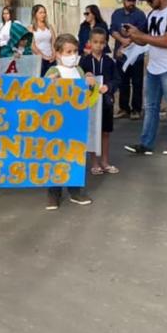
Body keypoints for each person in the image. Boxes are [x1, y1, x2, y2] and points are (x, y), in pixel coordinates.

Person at [124, 0, 167, 156]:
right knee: (150, 107)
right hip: (154, 67)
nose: (149, 3)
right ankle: (146, 144)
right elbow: (144, 38)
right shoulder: (152, 14)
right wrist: (132, 34)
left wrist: (141, 35)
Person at [45, 34, 98, 210]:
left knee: (75, 156)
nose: (73, 55)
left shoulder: (80, 71)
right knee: (56, 156)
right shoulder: (54, 72)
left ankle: (75, 190)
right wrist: (49, 85)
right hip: (56, 125)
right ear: (58, 53)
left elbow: (88, 97)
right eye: (68, 52)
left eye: (75, 51)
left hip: (76, 123)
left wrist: (91, 83)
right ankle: (54, 192)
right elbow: (43, 95)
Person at [80, 28, 120, 175]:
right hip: (91, 103)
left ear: (106, 43)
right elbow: (79, 79)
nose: (98, 45)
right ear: (90, 43)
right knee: (92, 132)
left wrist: (108, 87)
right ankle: (94, 163)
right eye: (95, 42)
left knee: (105, 133)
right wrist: (86, 76)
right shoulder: (84, 61)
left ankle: (105, 161)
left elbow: (117, 80)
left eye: (102, 42)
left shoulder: (110, 61)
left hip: (106, 103)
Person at [110, 0, 147, 120]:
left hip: (136, 55)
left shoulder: (140, 15)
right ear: (123, 0)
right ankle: (124, 108)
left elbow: (140, 33)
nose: (131, 3)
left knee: (137, 82)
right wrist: (122, 41)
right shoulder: (117, 14)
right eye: (129, 0)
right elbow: (113, 30)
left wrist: (126, 43)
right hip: (121, 55)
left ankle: (136, 109)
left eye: (133, 1)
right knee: (122, 82)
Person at [29, 4, 56, 76]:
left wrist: (53, 55)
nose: (43, 15)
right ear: (35, 14)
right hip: (38, 60)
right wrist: (43, 56)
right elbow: (32, 45)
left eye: (44, 12)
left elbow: (53, 42)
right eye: (40, 13)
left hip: (51, 59)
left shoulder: (49, 27)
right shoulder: (31, 28)